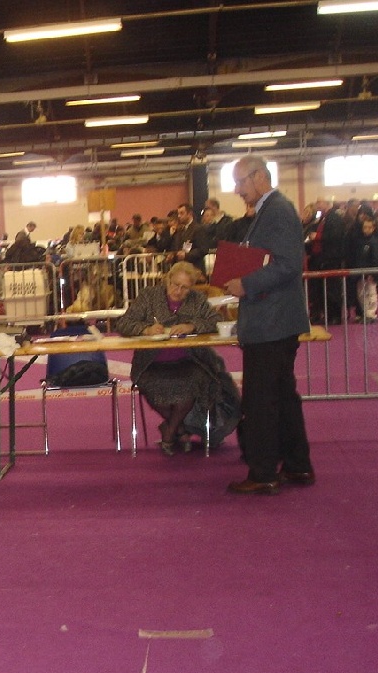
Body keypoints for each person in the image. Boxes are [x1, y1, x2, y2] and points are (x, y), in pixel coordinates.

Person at [224, 155, 314, 495]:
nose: (237, 190)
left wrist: (245, 283)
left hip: (272, 322)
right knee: (283, 397)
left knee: (261, 401)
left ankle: (263, 473)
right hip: (275, 321)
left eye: (240, 182)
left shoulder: (277, 211)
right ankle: (297, 465)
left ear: (260, 176)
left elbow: (288, 264)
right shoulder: (272, 210)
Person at [115, 262, 220, 456]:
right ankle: (179, 429)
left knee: (191, 387)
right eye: (175, 284)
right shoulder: (149, 296)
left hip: (190, 361)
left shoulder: (197, 300)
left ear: (192, 288)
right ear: (167, 279)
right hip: (151, 363)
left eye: (185, 288)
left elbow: (215, 321)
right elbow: (124, 323)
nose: (178, 291)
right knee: (154, 391)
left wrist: (192, 326)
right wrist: (146, 329)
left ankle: (169, 431)